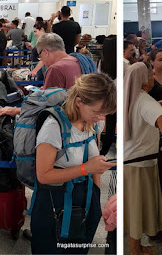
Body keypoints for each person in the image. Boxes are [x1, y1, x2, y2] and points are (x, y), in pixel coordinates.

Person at [31, 73, 116, 254]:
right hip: (54, 202)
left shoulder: (94, 123)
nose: (101, 118)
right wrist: (87, 169)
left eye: (104, 114)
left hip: (86, 198)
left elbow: (95, 159)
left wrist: (96, 197)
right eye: (96, 112)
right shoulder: (53, 127)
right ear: (79, 102)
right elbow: (43, 175)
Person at [124, 62, 162, 255]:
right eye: (151, 77)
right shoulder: (144, 100)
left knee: (133, 209)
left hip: (130, 161)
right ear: (144, 80)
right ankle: (135, 251)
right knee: (138, 210)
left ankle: (135, 247)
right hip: (140, 164)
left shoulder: (128, 95)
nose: (153, 79)